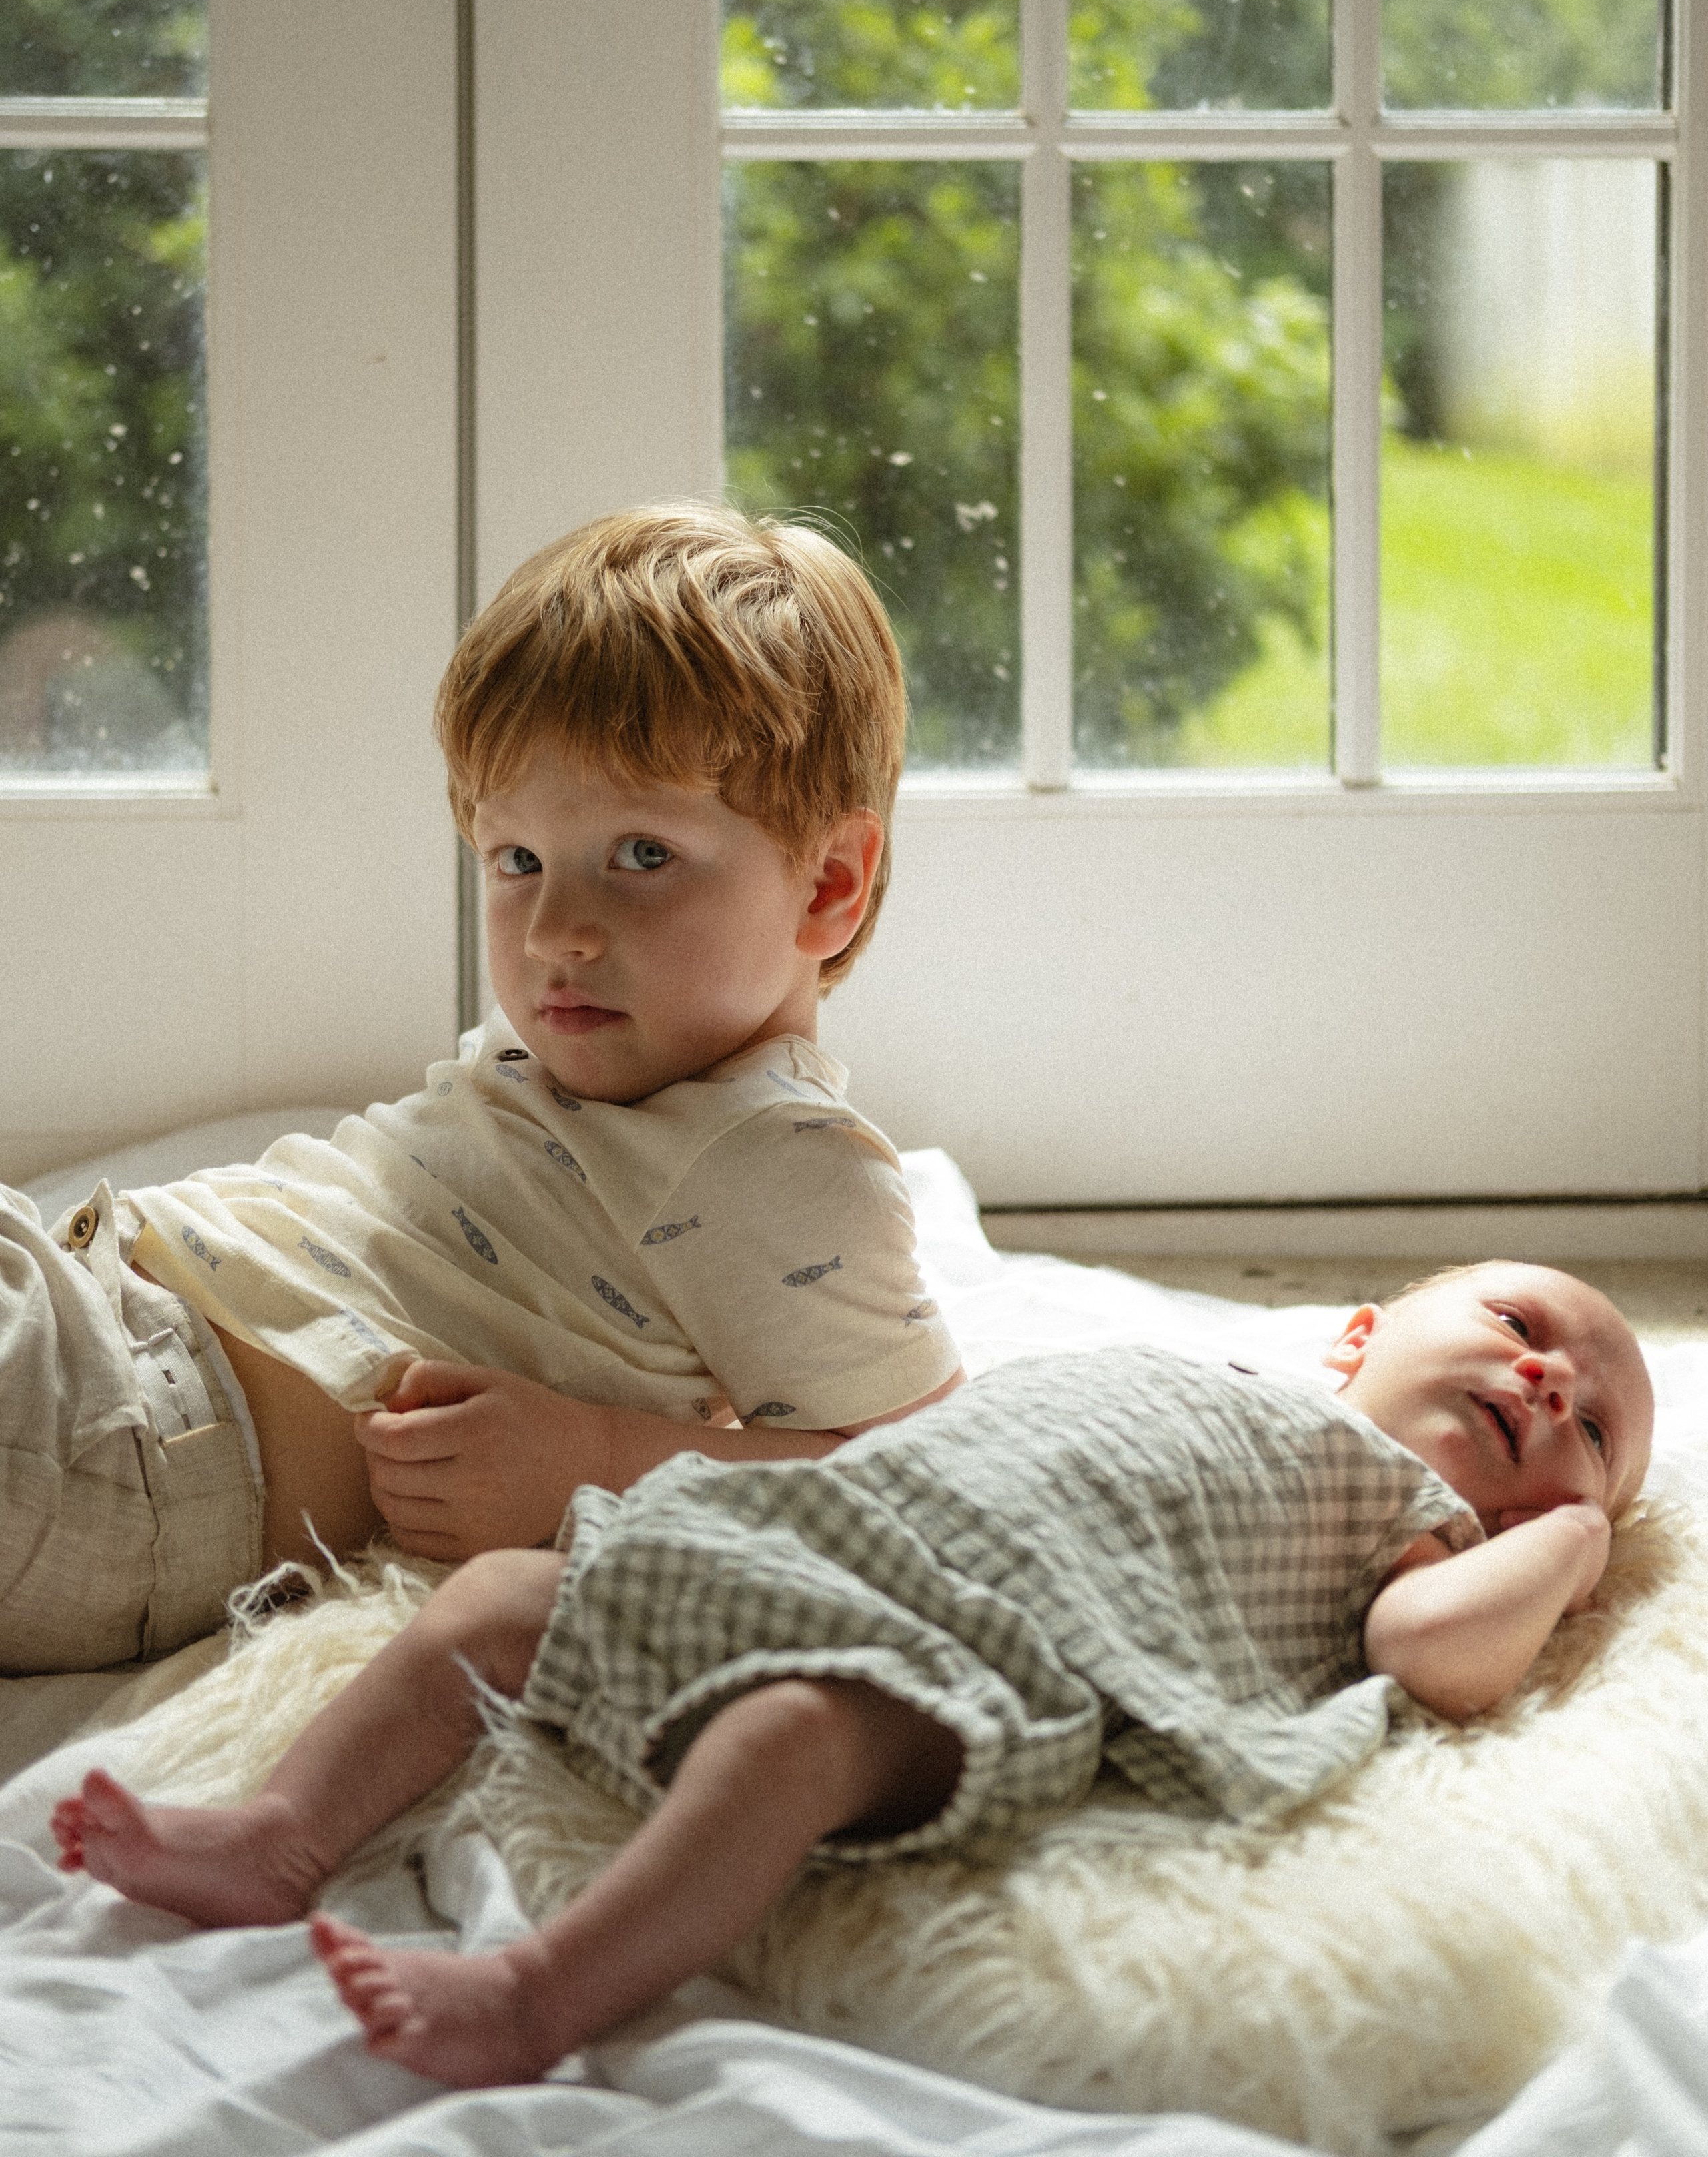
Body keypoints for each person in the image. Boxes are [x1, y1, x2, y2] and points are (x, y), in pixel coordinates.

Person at [53, 1258, 1653, 2088]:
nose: (1544, 1376)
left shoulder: (1425, 1537)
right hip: (817, 1530)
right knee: (488, 1600)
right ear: (1360, 1332)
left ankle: (542, 1992)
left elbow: (1431, 1665)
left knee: (786, 1734)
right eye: (1520, 1322)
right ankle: (281, 1833)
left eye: (1590, 1425)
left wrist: (1567, 1542)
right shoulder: (1210, 1372)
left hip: (984, 1651)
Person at [1, 505, 962, 1673]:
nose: (556, 930)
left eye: (642, 857)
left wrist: (598, 1457)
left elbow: (919, 1487)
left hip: (143, 1448)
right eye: (519, 862)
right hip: (91, 1319)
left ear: (829, 884)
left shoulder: (784, 1160)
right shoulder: (580, 1063)